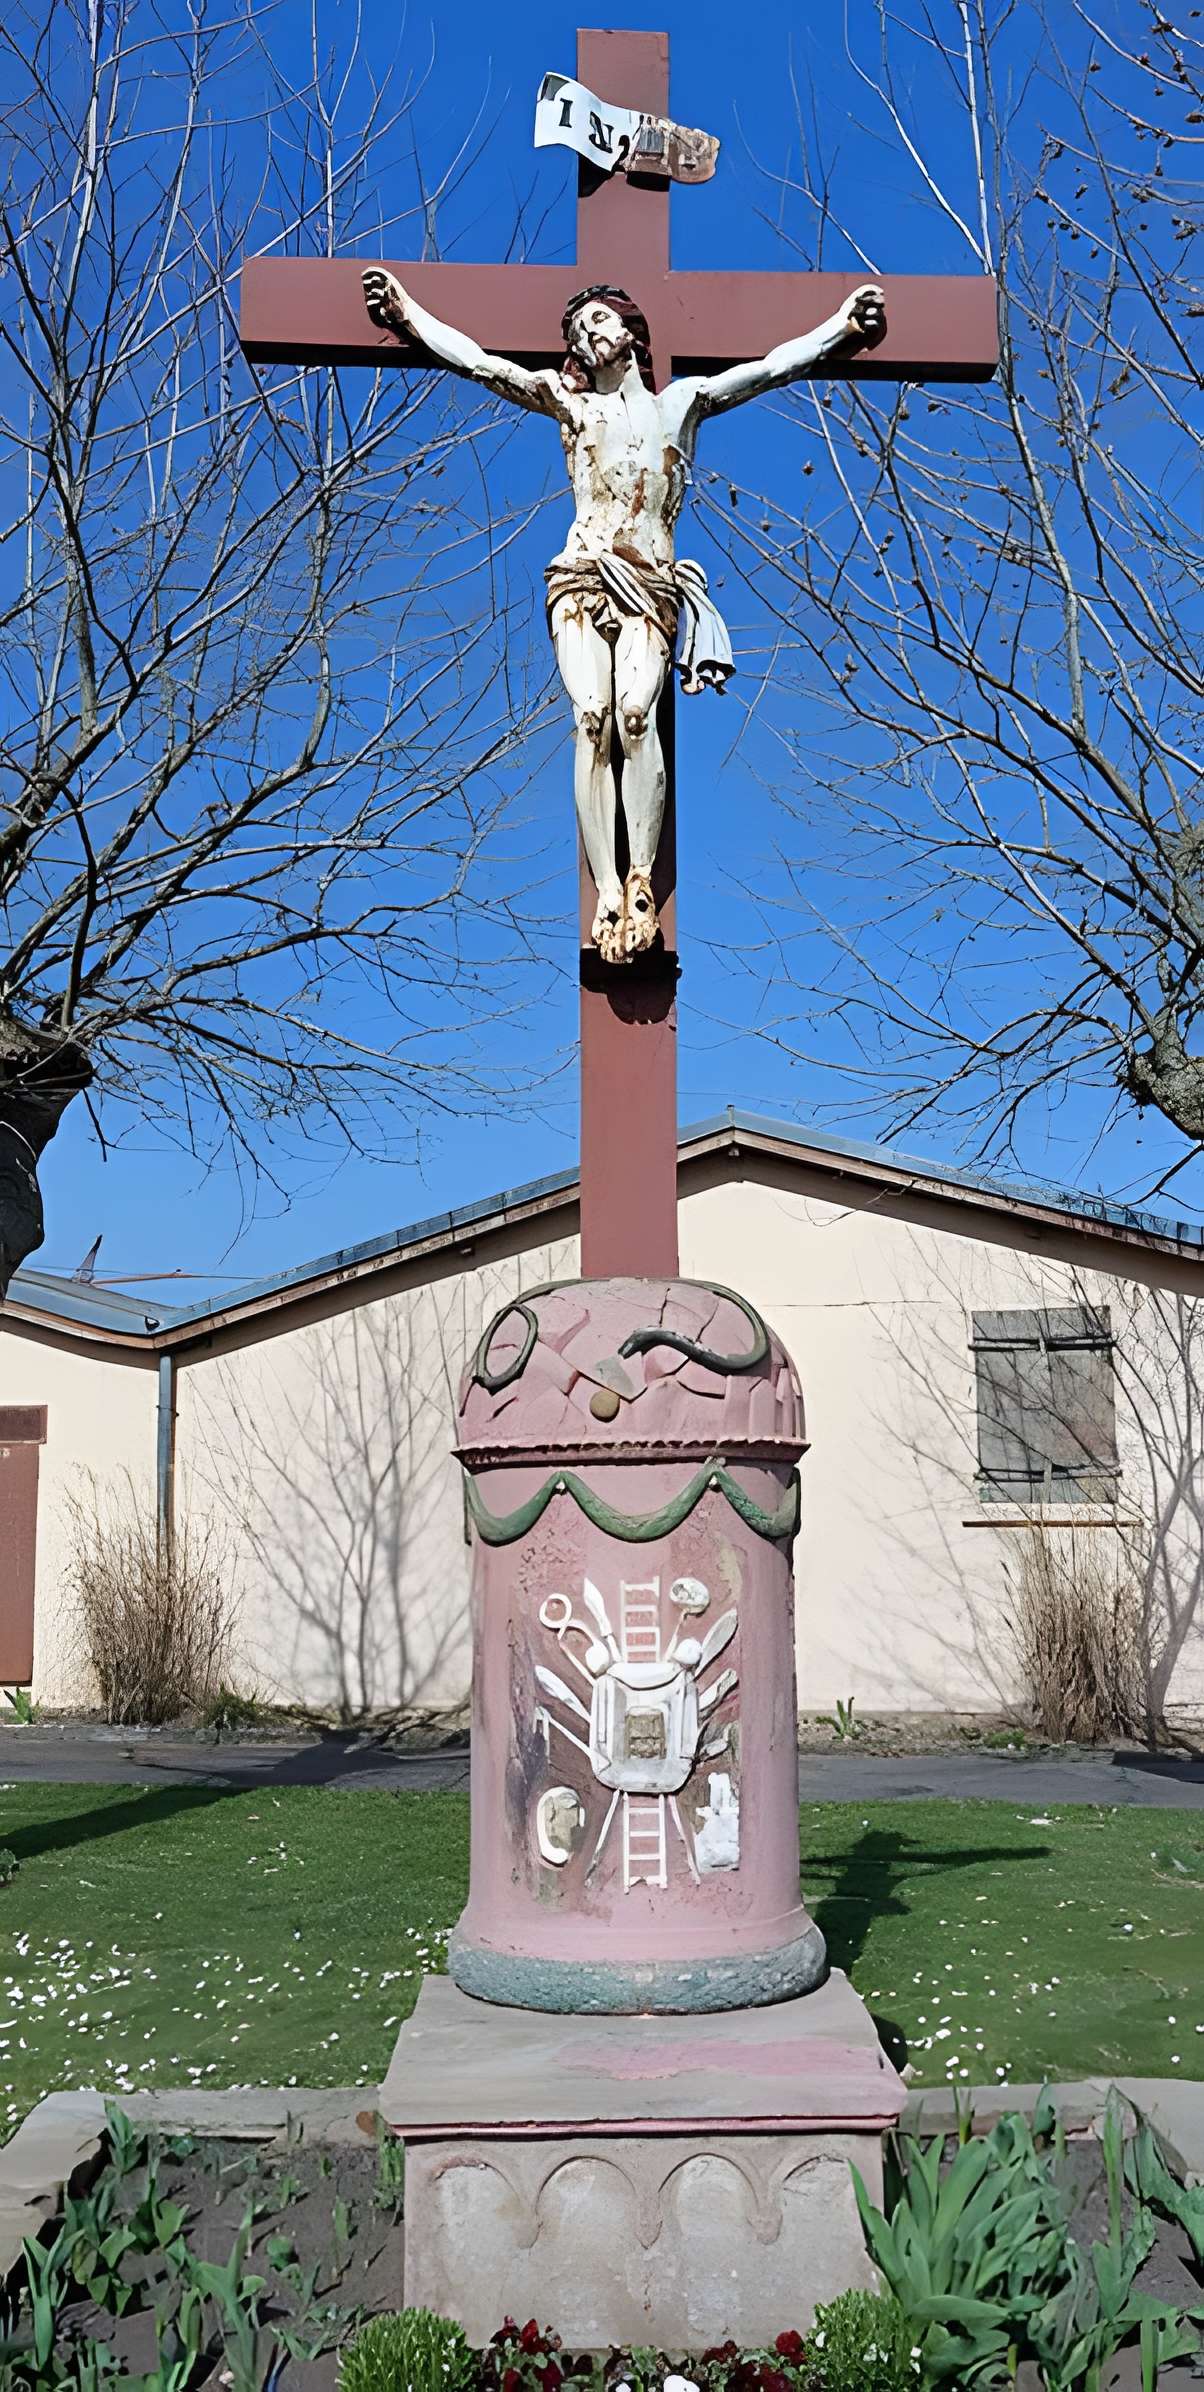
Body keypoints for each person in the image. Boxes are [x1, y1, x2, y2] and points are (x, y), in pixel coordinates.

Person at [363, 268, 885, 962]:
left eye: (598, 323)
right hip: (580, 577)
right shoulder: (570, 406)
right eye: (578, 331)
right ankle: (606, 887)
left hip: (649, 580)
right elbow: (479, 362)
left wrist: (840, 327)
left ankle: (641, 878)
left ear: (632, 333)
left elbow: (769, 367)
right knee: (591, 721)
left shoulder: (682, 404)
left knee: (635, 716)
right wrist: (408, 314)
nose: (586, 337)